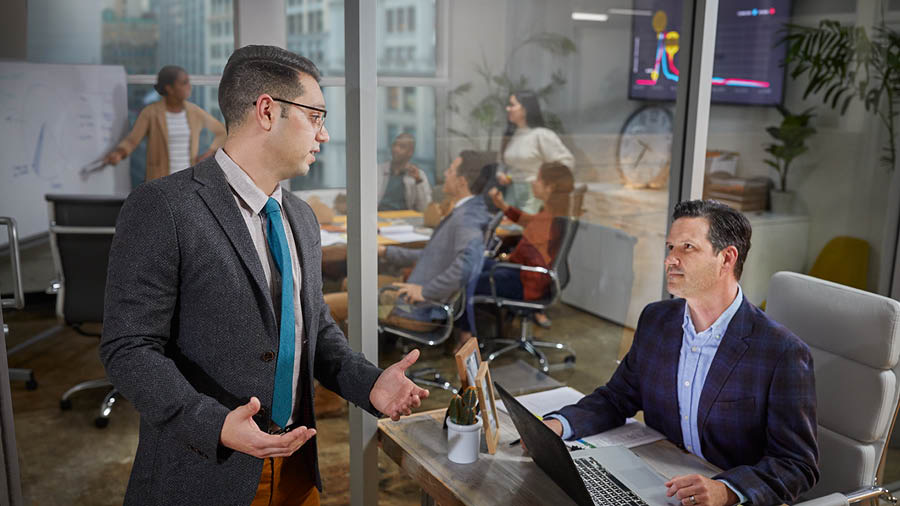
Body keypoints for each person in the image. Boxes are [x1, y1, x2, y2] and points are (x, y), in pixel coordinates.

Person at [100, 45, 429, 506]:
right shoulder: (164, 208)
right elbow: (128, 346)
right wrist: (212, 423)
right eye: (315, 115)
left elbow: (310, 324)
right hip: (204, 472)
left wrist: (368, 382)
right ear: (268, 111)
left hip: (295, 467)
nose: (325, 134)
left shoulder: (300, 216)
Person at [541, 200, 818, 506]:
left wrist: (726, 490)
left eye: (687, 247)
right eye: (670, 246)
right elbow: (617, 397)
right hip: (663, 482)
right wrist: (556, 426)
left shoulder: (781, 352)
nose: (670, 259)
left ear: (726, 258)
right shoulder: (657, 320)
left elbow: (797, 465)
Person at [325, 150, 493, 333]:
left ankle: (350, 356)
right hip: (412, 294)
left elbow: (468, 264)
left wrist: (425, 291)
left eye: (451, 170)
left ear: (462, 181)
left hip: (415, 308)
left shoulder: (467, 217)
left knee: (327, 306)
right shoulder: (466, 210)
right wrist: (384, 251)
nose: (445, 173)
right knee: (350, 283)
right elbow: (433, 255)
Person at [458, 161, 573, 338]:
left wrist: (506, 257)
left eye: (539, 179)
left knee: (469, 280)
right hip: (530, 277)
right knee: (474, 264)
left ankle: (465, 335)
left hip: (526, 283)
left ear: (550, 187)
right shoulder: (553, 213)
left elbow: (527, 253)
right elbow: (529, 221)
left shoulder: (548, 219)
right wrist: (504, 206)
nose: (534, 182)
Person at [103, 65, 226, 181]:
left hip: (188, 181)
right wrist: (119, 153)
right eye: (184, 83)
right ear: (169, 89)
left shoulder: (194, 112)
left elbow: (222, 132)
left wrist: (209, 154)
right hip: (160, 181)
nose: (189, 86)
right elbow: (132, 140)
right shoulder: (150, 112)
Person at [496, 90, 573, 214]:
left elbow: (566, 162)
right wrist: (501, 174)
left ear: (525, 109)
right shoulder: (510, 136)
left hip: (534, 196)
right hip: (511, 192)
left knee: (526, 227)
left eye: (512, 105)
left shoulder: (541, 135)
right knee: (506, 226)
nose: (508, 108)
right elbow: (502, 163)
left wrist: (546, 185)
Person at [377, 133, 432, 212]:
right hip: (378, 218)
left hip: (405, 220)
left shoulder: (418, 175)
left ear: (410, 152)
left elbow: (425, 208)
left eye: (401, 147)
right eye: (394, 145)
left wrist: (418, 180)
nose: (396, 149)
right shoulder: (378, 171)